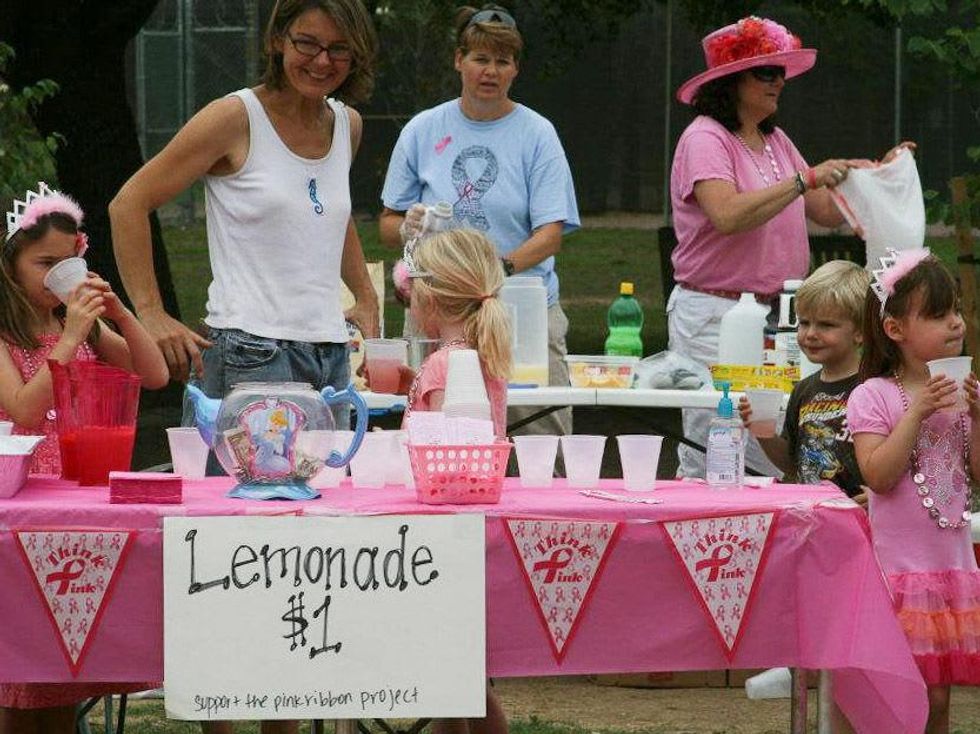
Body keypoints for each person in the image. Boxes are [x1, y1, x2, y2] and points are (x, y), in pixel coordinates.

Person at [109, 0, 380, 436]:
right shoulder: (235, 117)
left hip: (331, 353)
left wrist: (365, 295)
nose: (322, 61)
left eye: (339, 48)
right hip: (248, 353)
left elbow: (329, 213)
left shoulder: (347, 124)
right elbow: (128, 204)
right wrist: (151, 313)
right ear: (278, 41)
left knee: (329, 500)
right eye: (307, 44)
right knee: (240, 502)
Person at [669, 15, 913, 479]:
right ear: (730, 81)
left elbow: (824, 208)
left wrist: (881, 176)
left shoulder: (773, 138)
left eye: (781, 71)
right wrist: (804, 179)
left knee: (772, 434)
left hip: (777, 319)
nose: (778, 80)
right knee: (715, 444)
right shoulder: (705, 136)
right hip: (714, 315)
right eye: (766, 71)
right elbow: (728, 215)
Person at [0, 184, 167, 732]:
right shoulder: (7, 334)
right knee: (22, 664)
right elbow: (25, 411)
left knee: (62, 655)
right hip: (18, 508)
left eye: (67, 262)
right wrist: (69, 341)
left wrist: (117, 313)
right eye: (43, 263)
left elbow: (154, 375)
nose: (55, 274)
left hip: (71, 500)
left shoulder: (87, 326)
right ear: (10, 264)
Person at [379, 3, 579, 444]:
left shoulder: (537, 133)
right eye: (480, 59)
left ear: (515, 70)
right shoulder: (421, 129)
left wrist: (496, 273)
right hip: (435, 309)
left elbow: (550, 235)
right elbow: (387, 224)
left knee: (540, 436)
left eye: (501, 61)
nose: (490, 71)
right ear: (458, 61)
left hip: (519, 307)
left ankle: (541, 509)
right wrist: (409, 226)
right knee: (432, 429)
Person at [848, 250, 980, 734]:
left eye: (957, 311)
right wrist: (916, 412)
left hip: (951, 570)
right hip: (898, 575)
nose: (955, 324)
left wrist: (978, 417)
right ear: (895, 329)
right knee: (898, 691)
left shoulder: (964, 390)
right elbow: (878, 475)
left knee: (940, 698)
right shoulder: (874, 395)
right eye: (938, 314)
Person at [384, 229, 508, 734]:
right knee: (459, 681)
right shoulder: (481, 356)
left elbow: (440, 449)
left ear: (429, 299)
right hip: (472, 526)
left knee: (456, 679)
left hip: (437, 535)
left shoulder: (443, 365)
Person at [738, 260, 869, 501]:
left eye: (826, 325)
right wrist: (762, 429)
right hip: (811, 513)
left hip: (860, 519)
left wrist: (883, 497)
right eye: (804, 323)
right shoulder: (804, 389)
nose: (810, 334)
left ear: (860, 332)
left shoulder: (874, 386)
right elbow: (791, 463)